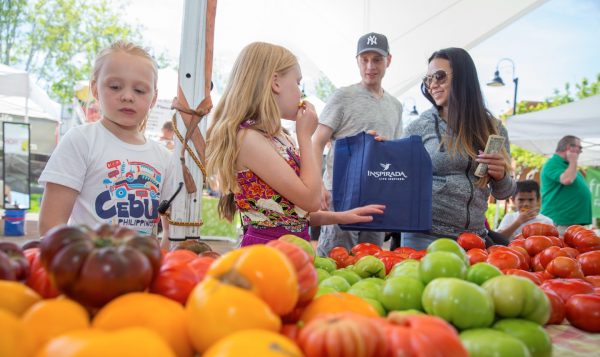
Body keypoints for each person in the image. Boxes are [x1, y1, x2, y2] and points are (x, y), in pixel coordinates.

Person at [205, 42, 385, 246]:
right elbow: (311, 200)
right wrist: (305, 137)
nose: (300, 92)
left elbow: (292, 216)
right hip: (267, 254)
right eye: (298, 83)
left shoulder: (278, 136)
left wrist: (342, 217)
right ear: (276, 83)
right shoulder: (248, 138)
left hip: (291, 248)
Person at [38, 41, 175, 248]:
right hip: (88, 271)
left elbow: (170, 232)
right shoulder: (81, 140)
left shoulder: (164, 157)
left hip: (142, 273)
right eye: (115, 87)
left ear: (153, 98)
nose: (127, 96)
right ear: (95, 88)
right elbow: (51, 225)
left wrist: (160, 267)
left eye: (139, 90)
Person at [402, 47, 516, 249]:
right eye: (428, 79)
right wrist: (381, 149)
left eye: (439, 76)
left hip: (474, 239)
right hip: (424, 236)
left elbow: (504, 193)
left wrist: (501, 176)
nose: (433, 85)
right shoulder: (418, 127)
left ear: (463, 78)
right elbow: (398, 179)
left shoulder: (494, 129)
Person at [312, 32, 403, 257]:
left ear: (388, 61)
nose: (370, 65)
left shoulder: (396, 106)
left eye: (377, 59)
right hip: (340, 193)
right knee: (335, 258)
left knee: (369, 260)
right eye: (364, 59)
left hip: (376, 196)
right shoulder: (343, 96)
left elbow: (394, 153)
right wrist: (318, 185)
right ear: (357, 61)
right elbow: (317, 141)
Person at [540, 135, 592, 235]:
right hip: (560, 222)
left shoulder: (567, 166)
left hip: (570, 222)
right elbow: (567, 179)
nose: (580, 151)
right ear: (569, 147)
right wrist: (573, 160)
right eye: (579, 148)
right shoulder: (553, 163)